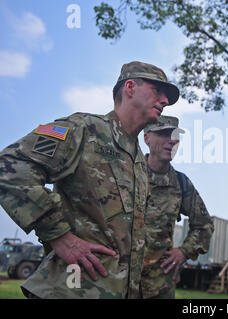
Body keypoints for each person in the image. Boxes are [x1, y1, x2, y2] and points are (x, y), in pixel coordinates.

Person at [0, 61, 179, 298]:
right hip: (72, 290)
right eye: (158, 91)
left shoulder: (138, 160)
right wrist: (58, 235)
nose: (165, 100)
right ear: (130, 87)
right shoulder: (83, 129)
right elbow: (9, 166)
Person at [141, 115, 214, 299]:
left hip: (158, 286)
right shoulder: (125, 173)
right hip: (118, 282)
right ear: (147, 138)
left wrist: (184, 251)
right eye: (164, 134)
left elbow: (204, 225)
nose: (172, 140)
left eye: (175, 135)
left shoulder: (181, 184)